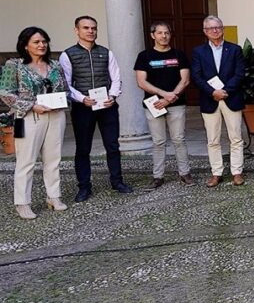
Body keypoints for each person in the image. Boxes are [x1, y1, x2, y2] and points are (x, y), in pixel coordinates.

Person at [60, 15, 132, 201]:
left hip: (107, 105)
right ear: (77, 30)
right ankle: (84, 187)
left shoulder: (106, 52)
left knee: (113, 145)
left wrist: (113, 96)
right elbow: (66, 84)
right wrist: (82, 98)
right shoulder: (68, 55)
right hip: (83, 107)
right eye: (86, 28)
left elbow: (116, 78)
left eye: (93, 28)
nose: (90, 31)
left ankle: (117, 181)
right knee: (83, 148)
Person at [1, 27, 69, 219]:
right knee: (27, 161)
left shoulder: (55, 65)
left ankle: (53, 197)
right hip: (29, 116)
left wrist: (62, 101)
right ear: (25, 45)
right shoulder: (14, 65)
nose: (42, 45)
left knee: (53, 159)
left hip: (55, 115)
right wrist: (32, 105)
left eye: (44, 41)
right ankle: (22, 202)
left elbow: (65, 89)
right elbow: (5, 93)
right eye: (37, 42)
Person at [134, 22, 191, 189]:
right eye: (159, 33)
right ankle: (158, 176)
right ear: (153, 35)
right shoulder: (144, 56)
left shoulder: (179, 55)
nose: (163, 36)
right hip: (154, 105)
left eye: (166, 33)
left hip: (176, 104)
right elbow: (141, 82)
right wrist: (164, 95)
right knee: (158, 141)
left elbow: (185, 79)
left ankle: (185, 173)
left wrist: (170, 98)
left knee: (179, 140)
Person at [191, 15, 246, 186]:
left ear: (222, 29)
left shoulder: (235, 49)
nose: (215, 31)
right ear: (205, 32)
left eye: (218, 27)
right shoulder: (198, 52)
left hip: (231, 97)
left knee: (236, 138)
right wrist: (212, 92)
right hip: (210, 99)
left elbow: (240, 73)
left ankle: (237, 172)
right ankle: (216, 172)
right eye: (211, 28)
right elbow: (196, 76)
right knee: (213, 139)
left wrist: (225, 91)